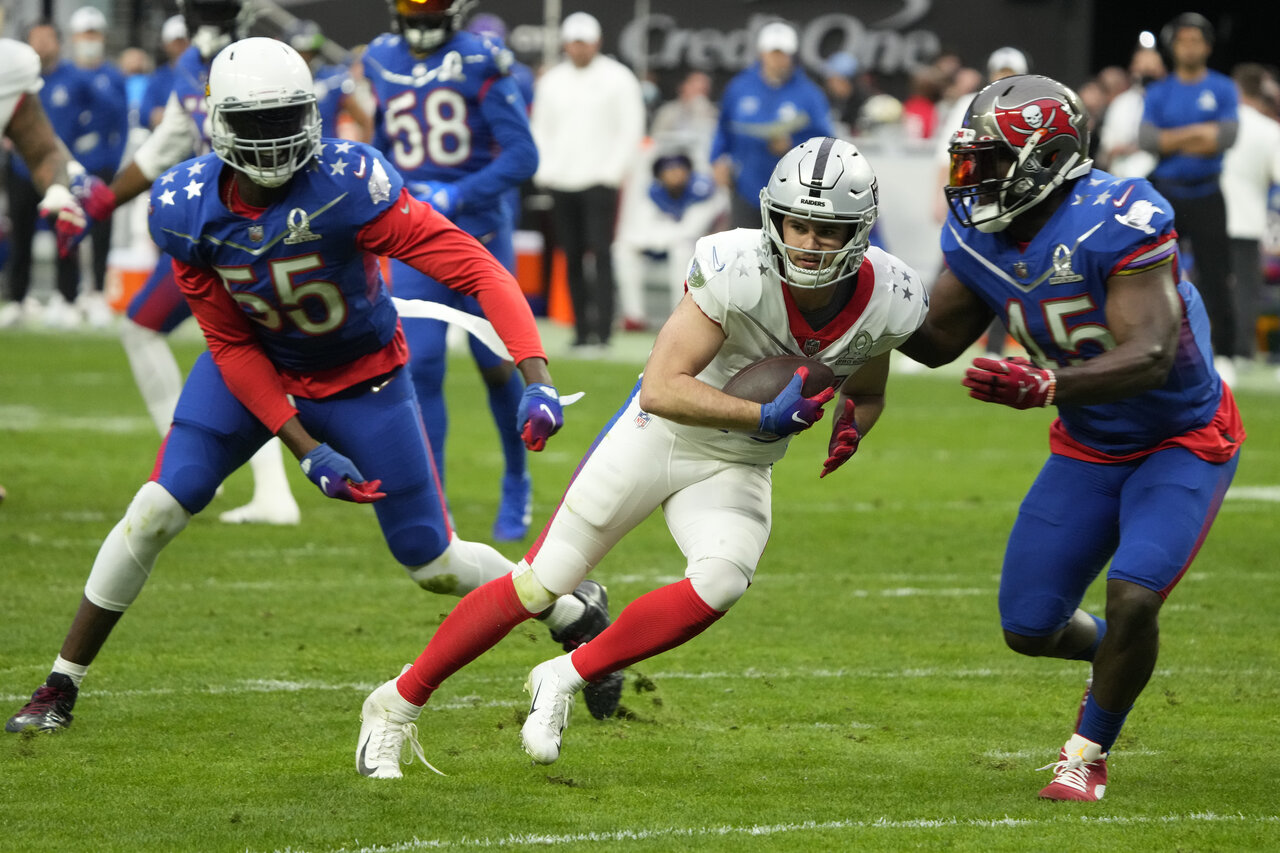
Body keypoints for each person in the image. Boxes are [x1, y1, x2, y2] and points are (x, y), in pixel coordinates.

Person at [3, 37, 614, 736]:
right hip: (252, 368)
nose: (274, 139)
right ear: (221, 122)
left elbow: (477, 268)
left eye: (286, 117)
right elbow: (230, 342)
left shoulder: (351, 182)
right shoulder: (185, 205)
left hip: (363, 378)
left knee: (434, 563)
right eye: (256, 121)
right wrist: (302, 447)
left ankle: (571, 609)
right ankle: (59, 684)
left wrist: (537, 375)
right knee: (154, 509)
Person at [354, 136, 928, 779]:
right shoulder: (735, 263)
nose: (810, 243)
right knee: (539, 585)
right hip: (660, 434)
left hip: (741, 464)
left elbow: (870, 386)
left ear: (859, 231)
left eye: (829, 230)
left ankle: (564, 674)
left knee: (722, 581)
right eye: (799, 223)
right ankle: (394, 706)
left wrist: (855, 421)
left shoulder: (892, 296)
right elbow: (663, 387)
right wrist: (762, 415)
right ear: (775, 217)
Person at [898, 74, 1244, 801]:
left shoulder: (1122, 214)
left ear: (1047, 157)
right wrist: (848, 296)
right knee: (1028, 626)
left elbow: (1151, 350)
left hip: (1181, 435)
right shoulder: (979, 231)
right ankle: (1115, 657)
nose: (974, 178)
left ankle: (1087, 748)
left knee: (1135, 598)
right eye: (971, 160)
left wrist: (1049, 384)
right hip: (1089, 443)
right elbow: (935, 340)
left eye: (990, 161)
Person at [49, 0, 302, 527]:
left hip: (256, 231)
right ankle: (203, 461)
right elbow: (164, 148)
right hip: (218, 231)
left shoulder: (265, 64)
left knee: (241, 351)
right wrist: (99, 201)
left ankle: (237, 476)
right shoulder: (192, 68)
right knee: (150, 328)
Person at [362, 0, 540, 541]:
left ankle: (517, 480)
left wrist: (456, 193)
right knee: (422, 365)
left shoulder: (482, 58)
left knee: (497, 365)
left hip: (478, 234)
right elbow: (385, 142)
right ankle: (432, 500)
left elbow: (522, 155)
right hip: (415, 239)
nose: (420, 14)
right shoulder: (379, 59)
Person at [530, 11, 645, 351]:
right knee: (573, 255)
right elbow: (540, 129)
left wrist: (613, 172)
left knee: (603, 253)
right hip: (562, 180)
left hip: (601, 179)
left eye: (584, 43)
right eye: (573, 43)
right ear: (566, 44)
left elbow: (630, 128)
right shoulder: (552, 81)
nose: (578, 49)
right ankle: (581, 330)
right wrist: (546, 172)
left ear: (596, 43)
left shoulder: (618, 78)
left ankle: (605, 331)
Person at [1139, 12, 1239, 382]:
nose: (1189, 46)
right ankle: (1156, 348)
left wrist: (1173, 138)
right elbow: (1149, 141)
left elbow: (1225, 138)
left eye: (1196, 40)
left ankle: (1225, 353)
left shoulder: (1223, 87)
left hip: (1208, 192)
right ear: (1173, 46)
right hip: (1167, 195)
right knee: (1156, 272)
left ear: (1208, 46)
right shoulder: (1158, 90)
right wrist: (1200, 134)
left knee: (1216, 275)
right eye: (1182, 40)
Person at [933, 46, 1030, 357]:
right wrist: (942, 192)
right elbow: (950, 154)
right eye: (1001, 73)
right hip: (977, 197)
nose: (1004, 80)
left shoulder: (1032, 107)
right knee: (951, 262)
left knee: (1013, 270)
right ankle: (929, 336)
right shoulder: (970, 104)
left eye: (1010, 74)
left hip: (1019, 202)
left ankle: (997, 348)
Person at [1, 21, 93, 329]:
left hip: (40, 170)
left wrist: (60, 184)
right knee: (20, 239)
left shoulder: (13, 65)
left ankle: (67, 298)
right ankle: (17, 298)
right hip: (16, 171)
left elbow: (42, 150)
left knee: (64, 233)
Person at [711, 22, 832, 229]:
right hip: (745, 186)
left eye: (783, 54)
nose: (777, 60)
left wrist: (793, 145)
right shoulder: (740, 87)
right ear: (762, 54)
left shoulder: (810, 94)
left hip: (794, 193)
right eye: (772, 53)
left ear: (792, 55)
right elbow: (724, 127)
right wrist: (716, 159)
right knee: (744, 250)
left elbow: (826, 141)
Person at [612, 150, 726, 328]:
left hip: (707, 251)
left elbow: (692, 231)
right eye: (669, 170)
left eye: (679, 169)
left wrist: (656, 238)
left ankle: (681, 316)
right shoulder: (654, 192)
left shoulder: (703, 191)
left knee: (682, 250)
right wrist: (652, 240)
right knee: (622, 250)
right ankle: (634, 316)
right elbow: (643, 227)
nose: (674, 174)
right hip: (665, 243)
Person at [67, 5, 130, 329]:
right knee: (70, 227)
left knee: (102, 233)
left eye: (94, 33)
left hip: (102, 167)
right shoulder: (66, 74)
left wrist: (116, 162)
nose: (89, 40)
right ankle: (70, 295)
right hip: (71, 167)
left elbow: (122, 123)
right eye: (84, 34)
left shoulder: (112, 76)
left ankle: (98, 292)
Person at [1221, 63, 1280, 372]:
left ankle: (1211, 349)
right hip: (1248, 218)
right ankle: (1241, 353)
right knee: (1244, 289)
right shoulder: (1270, 130)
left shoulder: (1218, 122)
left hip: (1212, 216)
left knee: (1209, 286)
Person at [284, 19, 373, 143]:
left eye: (310, 53)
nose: (305, 58)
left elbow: (364, 122)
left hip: (326, 156)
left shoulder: (332, 80)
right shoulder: (280, 83)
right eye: (300, 52)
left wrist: (363, 155)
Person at [1097, 44, 1165, 178]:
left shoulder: (1170, 102)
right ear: (1133, 70)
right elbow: (1109, 149)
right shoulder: (1121, 103)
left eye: (1151, 69)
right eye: (1142, 67)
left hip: (1159, 180)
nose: (1146, 73)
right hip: (1123, 179)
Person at [649, 71, 719, 168]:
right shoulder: (668, 111)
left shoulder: (712, 113)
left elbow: (711, 142)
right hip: (668, 163)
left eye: (703, 91)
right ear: (683, 87)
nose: (698, 95)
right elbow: (654, 139)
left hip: (700, 165)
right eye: (695, 88)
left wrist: (700, 112)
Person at [139, 16, 190, 132]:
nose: (181, 46)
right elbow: (144, 115)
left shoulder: (204, 75)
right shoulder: (159, 77)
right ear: (166, 45)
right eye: (176, 42)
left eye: (185, 41)